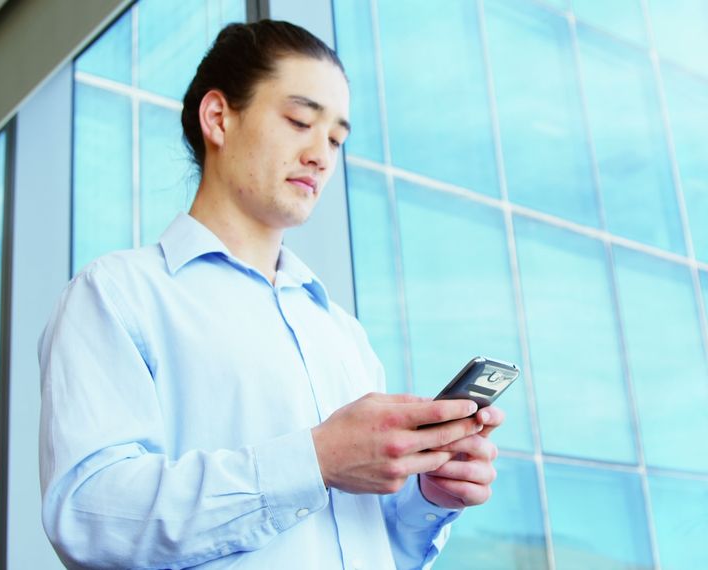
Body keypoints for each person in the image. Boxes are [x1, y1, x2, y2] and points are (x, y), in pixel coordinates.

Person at [38, 20, 504, 569]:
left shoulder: (342, 333)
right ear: (218, 118)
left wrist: (427, 500)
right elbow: (90, 515)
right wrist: (316, 460)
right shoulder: (118, 295)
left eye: (335, 139)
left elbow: (371, 548)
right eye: (299, 121)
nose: (321, 155)